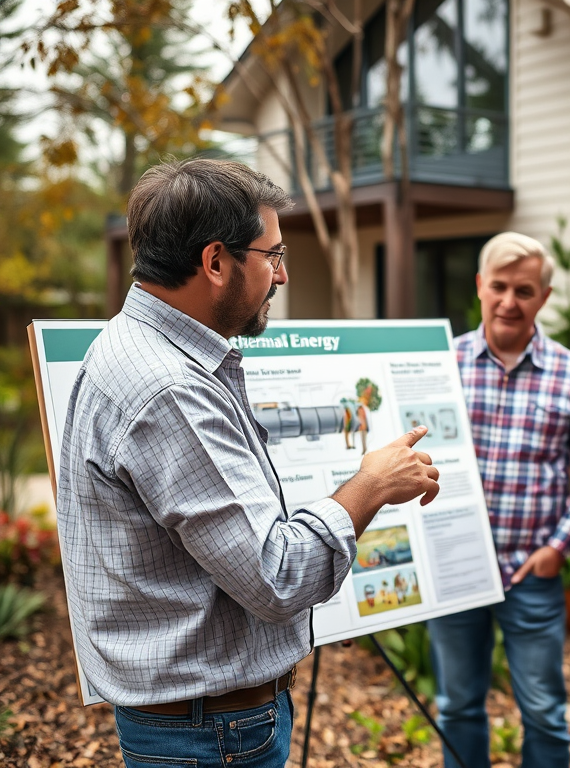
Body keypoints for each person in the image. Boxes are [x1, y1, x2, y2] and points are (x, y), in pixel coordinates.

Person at [57, 158, 440, 768]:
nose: (283, 274)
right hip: (212, 736)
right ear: (215, 262)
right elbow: (277, 574)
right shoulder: (170, 391)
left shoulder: (135, 347)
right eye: (273, 254)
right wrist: (370, 485)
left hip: (198, 724)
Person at [427, 231, 570, 768]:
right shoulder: (440, 365)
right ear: (481, 287)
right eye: (501, 287)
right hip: (457, 569)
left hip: (532, 571)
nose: (510, 301)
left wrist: (559, 548)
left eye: (525, 290)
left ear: (544, 297)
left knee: (544, 713)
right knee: (457, 706)